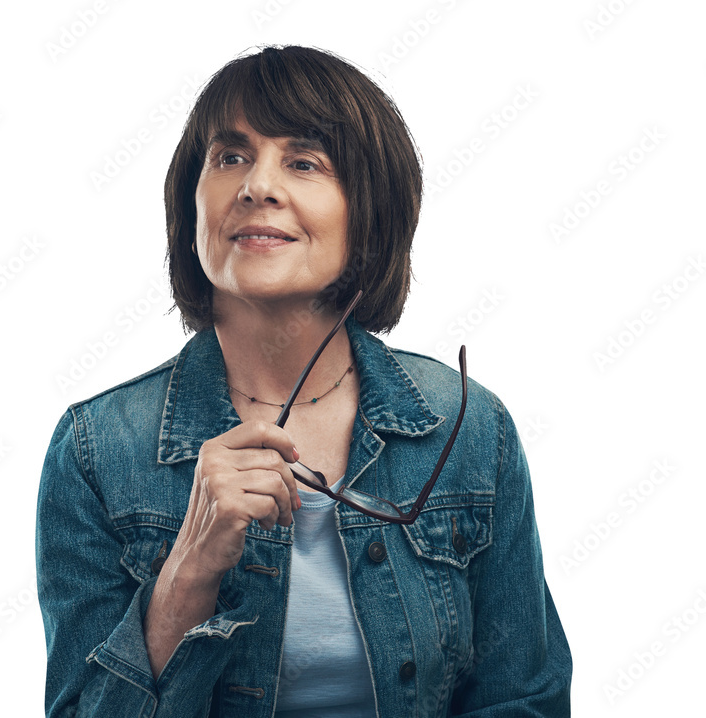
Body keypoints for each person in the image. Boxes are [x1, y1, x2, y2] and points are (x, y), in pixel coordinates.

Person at [36, 44, 571, 717]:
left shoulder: (469, 429)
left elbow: (525, 700)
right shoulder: (96, 450)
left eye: (304, 162)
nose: (257, 185)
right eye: (230, 157)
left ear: (368, 209)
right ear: (190, 204)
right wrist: (187, 575)